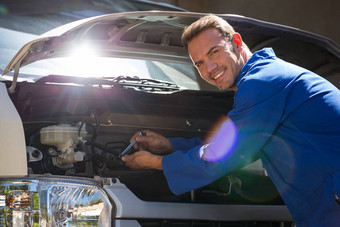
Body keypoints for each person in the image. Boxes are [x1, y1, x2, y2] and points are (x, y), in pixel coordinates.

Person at [122, 15, 340, 226]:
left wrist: (154, 163)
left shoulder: (263, 82)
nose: (209, 69)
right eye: (199, 64)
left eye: (214, 52)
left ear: (236, 42)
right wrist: (170, 145)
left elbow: (223, 155)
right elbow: (235, 146)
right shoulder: (268, 76)